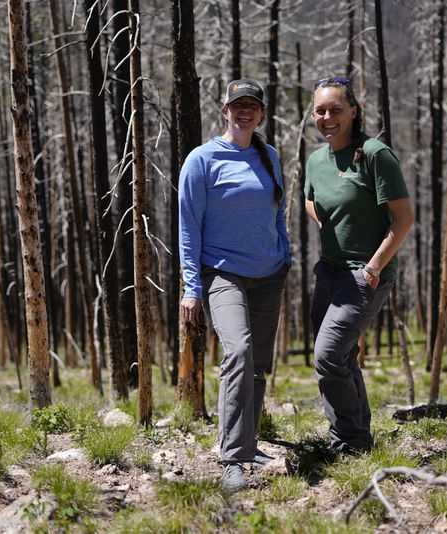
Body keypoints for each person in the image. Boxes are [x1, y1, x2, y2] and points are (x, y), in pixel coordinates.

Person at [179, 78, 291, 491]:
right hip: (222, 274)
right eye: (237, 105)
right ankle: (232, 458)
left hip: (269, 273)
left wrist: (285, 253)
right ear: (224, 110)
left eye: (253, 106)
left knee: (258, 365)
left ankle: (249, 442)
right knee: (239, 351)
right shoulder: (202, 160)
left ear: (260, 114)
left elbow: (277, 211)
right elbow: (188, 228)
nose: (245, 112)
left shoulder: (270, 156)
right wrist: (192, 287)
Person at [304, 77, 413, 455]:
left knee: (328, 356)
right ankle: (358, 439)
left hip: (364, 275)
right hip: (329, 272)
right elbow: (310, 200)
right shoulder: (316, 160)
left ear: (353, 111)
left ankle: (346, 441)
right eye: (320, 110)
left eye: (336, 109)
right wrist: (327, 226)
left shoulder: (374, 154)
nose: (328, 117)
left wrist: (374, 266)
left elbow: (403, 219)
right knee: (344, 357)